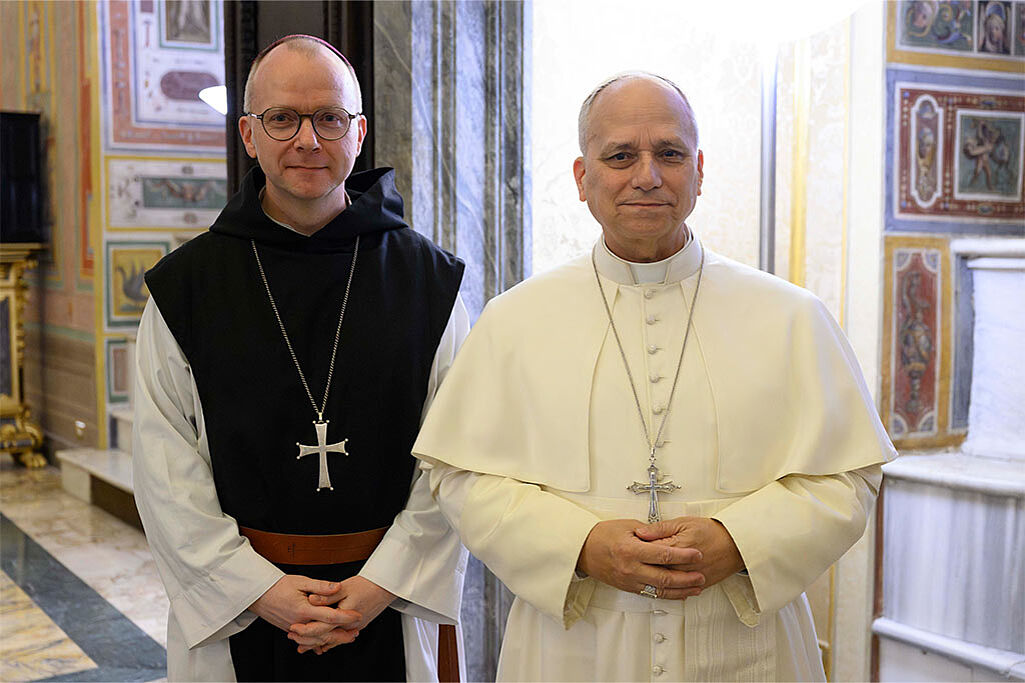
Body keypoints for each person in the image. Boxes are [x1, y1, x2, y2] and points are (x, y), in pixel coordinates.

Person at [412, 72, 895, 681]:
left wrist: (739, 541)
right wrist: (580, 547)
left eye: (669, 153)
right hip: (574, 648)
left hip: (747, 646)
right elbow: (461, 474)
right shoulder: (516, 319)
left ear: (699, 170)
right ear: (583, 179)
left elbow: (846, 476)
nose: (647, 175)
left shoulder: (791, 316)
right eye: (620, 156)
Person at [133, 35, 468, 682]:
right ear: (248, 135)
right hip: (241, 616)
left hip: (387, 607)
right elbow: (163, 469)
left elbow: (457, 460)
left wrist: (377, 586)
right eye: (282, 119)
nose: (308, 140)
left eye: (329, 118)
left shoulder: (432, 284)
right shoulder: (186, 291)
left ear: (359, 130)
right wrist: (259, 589)